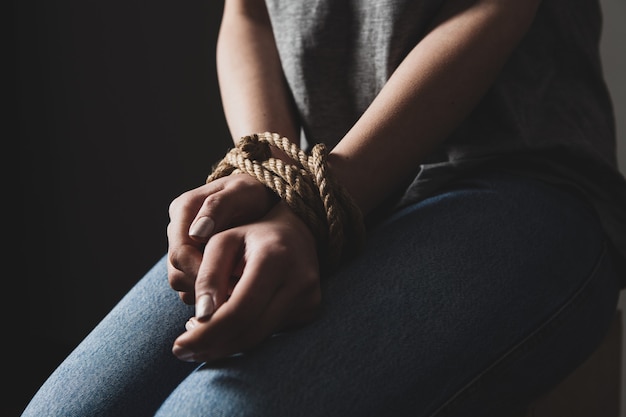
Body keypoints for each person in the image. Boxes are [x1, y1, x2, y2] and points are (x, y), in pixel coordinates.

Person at [21, 0, 626, 415]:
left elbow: (491, 6)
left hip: (515, 182)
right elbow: (249, 11)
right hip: (315, 180)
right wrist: (275, 179)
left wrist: (311, 202)